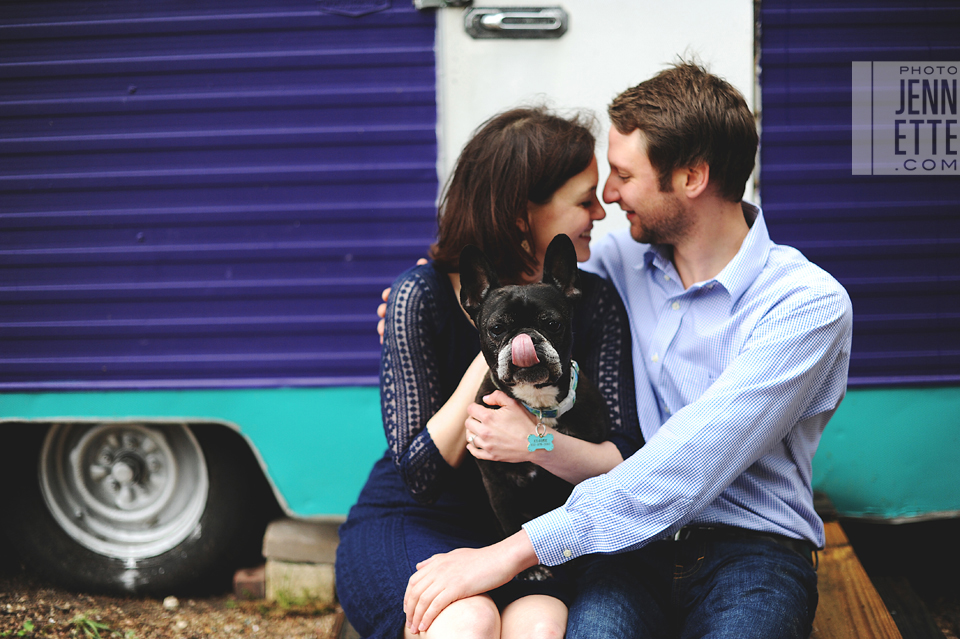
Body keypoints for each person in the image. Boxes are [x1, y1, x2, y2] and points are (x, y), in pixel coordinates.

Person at [404, 62, 853, 639]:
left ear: (691, 177)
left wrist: (507, 553)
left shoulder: (805, 307)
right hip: (623, 551)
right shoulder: (615, 265)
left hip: (749, 554)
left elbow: (682, 470)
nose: (609, 197)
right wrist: (427, 294)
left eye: (621, 175)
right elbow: (519, 270)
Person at [336, 107, 644, 639]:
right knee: (466, 621)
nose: (600, 211)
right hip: (417, 522)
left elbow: (625, 457)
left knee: (540, 629)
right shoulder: (423, 296)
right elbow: (422, 476)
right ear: (523, 214)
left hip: (533, 533)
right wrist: (496, 337)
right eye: (583, 199)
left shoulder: (589, 301)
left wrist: (537, 443)